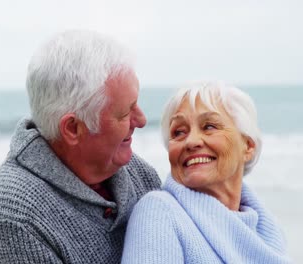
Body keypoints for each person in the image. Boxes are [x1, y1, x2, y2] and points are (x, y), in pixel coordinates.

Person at [0, 30, 162, 264]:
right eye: (125, 112)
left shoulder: (139, 175)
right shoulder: (16, 217)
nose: (142, 120)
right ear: (73, 128)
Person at [121, 82, 291, 263]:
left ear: (248, 147)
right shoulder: (159, 212)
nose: (191, 141)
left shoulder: (269, 234)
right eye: (179, 132)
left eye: (209, 127)